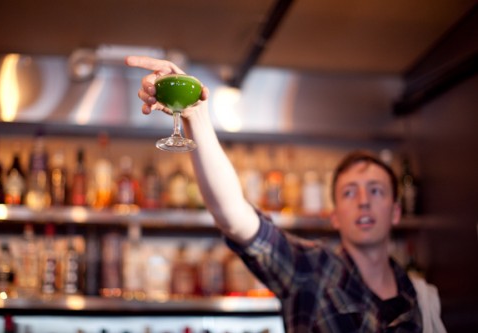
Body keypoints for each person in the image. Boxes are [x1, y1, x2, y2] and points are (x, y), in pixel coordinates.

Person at [126, 56, 446, 333]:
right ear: (334, 215)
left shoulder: (421, 295)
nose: (363, 200)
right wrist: (195, 114)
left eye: (376, 191)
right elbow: (234, 217)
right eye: (350, 192)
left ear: (395, 211)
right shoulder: (310, 270)